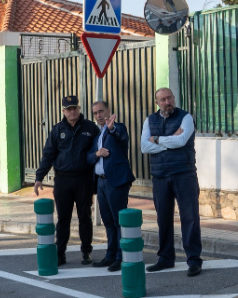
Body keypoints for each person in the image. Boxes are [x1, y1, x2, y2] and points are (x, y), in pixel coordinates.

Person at [140, 87, 203, 277]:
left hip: (184, 174)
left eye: (170, 98)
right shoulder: (149, 120)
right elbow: (144, 146)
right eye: (163, 99)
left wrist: (157, 139)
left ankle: (193, 260)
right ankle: (166, 258)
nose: (167, 102)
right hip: (160, 176)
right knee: (163, 218)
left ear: (173, 98)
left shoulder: (186, 118)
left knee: (190, 218)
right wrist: (170, 139)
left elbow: (182, 141)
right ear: (157, 102)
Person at [34, 95, 100, 266]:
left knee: (85, 217)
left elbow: (98, 151)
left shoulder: (90, 128)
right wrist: (39, 177)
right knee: (63, 219)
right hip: (63, 181)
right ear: (63, 111)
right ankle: (60, 253)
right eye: (69, 109)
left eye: (75, 108)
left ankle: (86, 252)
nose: (72, 112)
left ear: (79, 109)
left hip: (83, 179)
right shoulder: (57, 130)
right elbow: (48, 154)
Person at [86, 101, 136, 272]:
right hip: (101, 182)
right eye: (95, 113)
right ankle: (111, 255)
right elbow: (88, 157)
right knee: (108, 221)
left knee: (118, 221)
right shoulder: (98, 135)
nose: (99, 115)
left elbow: (121, 136)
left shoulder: (118, 128)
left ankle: (121, 257)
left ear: (109, 111)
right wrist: (96, 154)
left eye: (101, 111)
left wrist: (112, 128)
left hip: (116, 181)